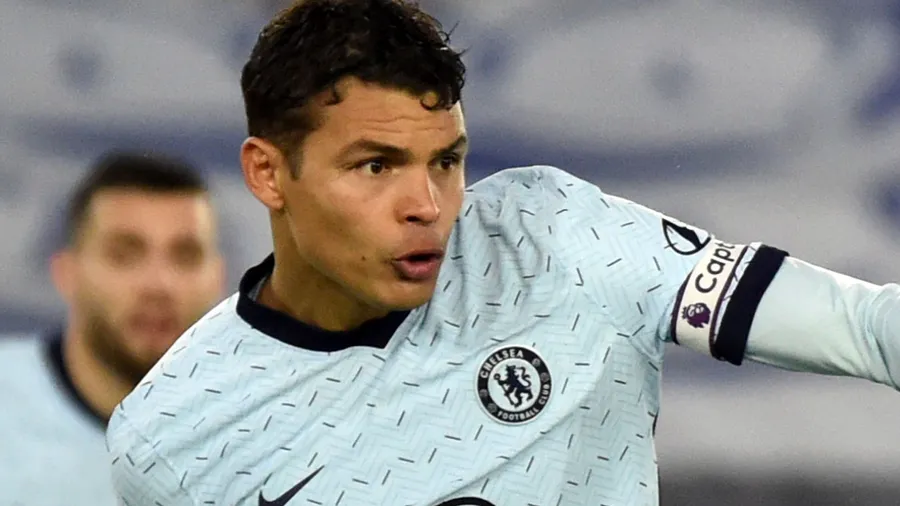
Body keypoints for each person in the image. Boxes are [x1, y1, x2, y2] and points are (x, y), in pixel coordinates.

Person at [105, 1, 900, 505]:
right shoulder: (174, 437)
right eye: (376, 166)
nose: (427, 205)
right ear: (268, 173)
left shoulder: (561, 238)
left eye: (446, 161)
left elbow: (864, 329)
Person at [0, 152, 224, 505]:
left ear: (217, 278)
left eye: (185, 256)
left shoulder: (264, 432)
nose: (159, 284)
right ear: (67, 273)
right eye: (124, 255)